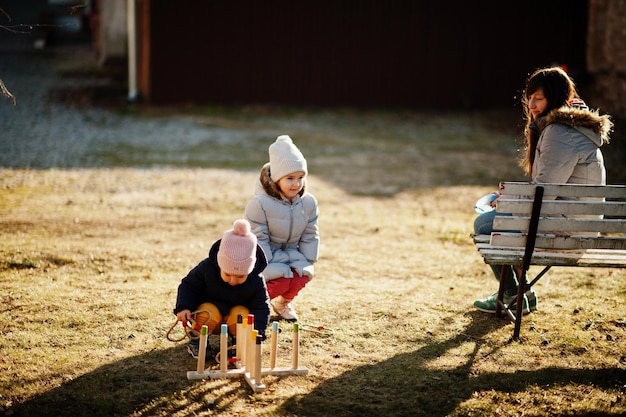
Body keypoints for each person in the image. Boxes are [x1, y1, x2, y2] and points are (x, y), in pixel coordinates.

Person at [473, 66, 613, 314]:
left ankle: (513, 293)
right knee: (502, 220)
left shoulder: (560, 133)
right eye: (530, 97)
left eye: (538, 98)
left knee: (484, 225)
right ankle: (521, 294)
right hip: (577, 222)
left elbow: (543, 192)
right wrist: (509, 200)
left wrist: (509, 201)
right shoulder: (574, 130)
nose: (532, 104)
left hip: (567, 230)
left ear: (555, 99)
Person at [245, 135, 320, 322]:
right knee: (282, 279)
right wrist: (270, 260)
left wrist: (308, 257)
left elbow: (310, 231)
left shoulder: (308, 202)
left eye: (301, 177)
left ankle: (282, 303)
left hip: (292, 253)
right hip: (266, 256)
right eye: (290, 178)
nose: (296, 183)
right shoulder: (260, 203)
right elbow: (258, 237)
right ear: (276, 179)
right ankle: (253, 306)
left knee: (301, 275)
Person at [173, 219, 271, 359]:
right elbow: (189, 286)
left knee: (242, 315)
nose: (233, 280)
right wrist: (183, 307)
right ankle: (198, 341)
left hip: (234, 319)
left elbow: (262, 306)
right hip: (210, 315)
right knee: (208, 312)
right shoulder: (207, 268)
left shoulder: (256, 280)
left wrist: (258, 330)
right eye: (227, 274)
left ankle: (239, 342)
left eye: (240, 276)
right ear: (220, 264)